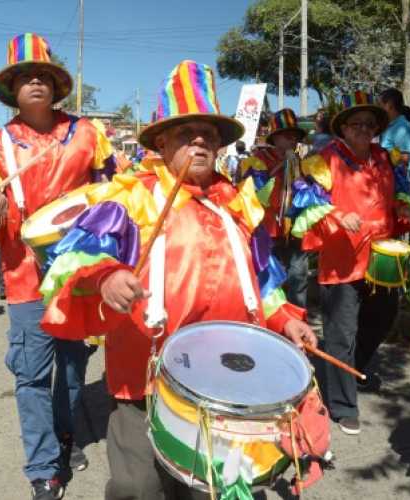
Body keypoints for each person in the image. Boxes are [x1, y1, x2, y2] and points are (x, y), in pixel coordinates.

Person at [38, 60, 317, 500]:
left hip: (226, 377)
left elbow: (261, 280)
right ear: (162, 143)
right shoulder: (130, 196)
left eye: (209, 133)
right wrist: (108, 276)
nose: (200, 140)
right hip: (145, 373)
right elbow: (75, 257)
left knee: (211, 481)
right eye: (187, 133)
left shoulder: (239, 205)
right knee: (139, 486)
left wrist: (284, 318)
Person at [0, 33, 115, 500]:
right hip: (23, 274)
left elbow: (114, 197)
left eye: (44, 76)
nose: (36, 81)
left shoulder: (90, 135)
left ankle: (65, 437)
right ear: (12, 89)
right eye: (25, 77)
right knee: (31, 373)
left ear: (55, 86)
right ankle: (42, 466)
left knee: (73, 370)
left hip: (78, 273)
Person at [290, 93, 410, 436]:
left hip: (380, 257)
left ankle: (352, 367)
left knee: (384, 317)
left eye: (369, 124)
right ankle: (343, 404)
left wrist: (403, 206)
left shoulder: (385, 157)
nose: (363, 129)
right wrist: (335, 214)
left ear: (377, 129)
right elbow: (307, 200)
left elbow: (401, 190)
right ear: (343, 127)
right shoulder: (324, 158)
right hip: (342, 261)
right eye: (355, 123)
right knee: (340, 333)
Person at [240, 108, 309, 307]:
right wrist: (280, 166)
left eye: (295, 137)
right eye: (287, 136)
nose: (292, 141)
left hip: (294, 228)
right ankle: (273, 325)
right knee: (270, 279)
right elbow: (256, 192)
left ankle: (300, 320)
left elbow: (303, 191)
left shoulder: (299, 161)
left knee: (298, 276)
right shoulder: (258, 160)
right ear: (275, 138)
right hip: (268, 229)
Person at [378, 88, 410, 177]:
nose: (378, 108)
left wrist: (380, 154)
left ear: (389, 105)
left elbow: (404, 159)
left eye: (380, 105)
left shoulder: (402, 128)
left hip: (398, 183)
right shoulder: (390, 126)